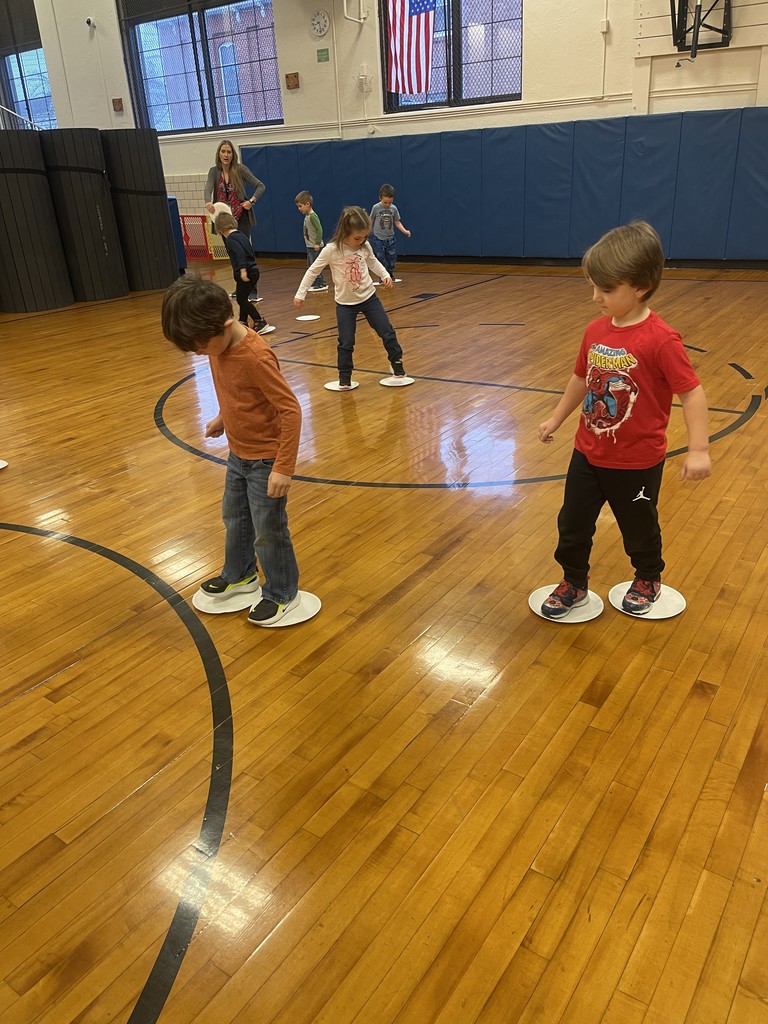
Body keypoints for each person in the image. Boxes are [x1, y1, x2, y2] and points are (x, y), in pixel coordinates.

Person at [537, 220, 711, 618]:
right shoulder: (595, 330)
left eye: (607, 289)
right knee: (573, 523)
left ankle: (648, 576)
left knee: (638, 526)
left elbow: (692, 392)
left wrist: (699, 448)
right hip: (587, 452)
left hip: (637, 461)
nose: (596, 297)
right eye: (593, 287)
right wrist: (557, 418)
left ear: (641, 287)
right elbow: (581, 378)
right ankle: (573, 581)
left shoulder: (661, 338)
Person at [160, 276, 302, 626]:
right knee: (235, 518)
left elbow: (290, 410)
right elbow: (236, 389)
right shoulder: (218, 345)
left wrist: (283, 467)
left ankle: (282, 592)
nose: (200, 353)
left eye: (200, 346)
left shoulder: (254, 355)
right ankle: (240, 575)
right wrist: (224, 416)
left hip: (266, 460)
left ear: (225, 325)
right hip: (238, 453)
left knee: (269, 529)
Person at [293, 206, 407, 390]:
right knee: (346, 341)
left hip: (369, 298)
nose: (361, 241)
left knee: (387, 332)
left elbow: (372, 262)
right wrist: (301, 293)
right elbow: (313, 271)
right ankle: (344, 378)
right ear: (345, 232)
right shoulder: (331, 250)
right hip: (345, 304)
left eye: (364, 238)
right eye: (357, 238)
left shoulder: (364, 246)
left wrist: (385, 275)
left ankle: (398, 367)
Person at [214, 211, 274, 335]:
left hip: (246, 272)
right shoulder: (241, 235)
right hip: (254, 270)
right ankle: (243, 321)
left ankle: (260, 321)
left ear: (220, 229)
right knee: (243, 297)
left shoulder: (230, 240)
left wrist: (242, 270)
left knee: (241, 300)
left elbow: (240, 253)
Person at [204, 140, 265, 238]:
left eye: (229, 152)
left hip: (241, 215)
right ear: (218, 154)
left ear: (233, 155)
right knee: (230, 249)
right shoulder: (213, 171)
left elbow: (260, 186)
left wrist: (251, 201)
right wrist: (208, 202)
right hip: (223, 217)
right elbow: (208, 188)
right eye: (223, 151)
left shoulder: (240, 169)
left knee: (242, 247)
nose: (226, 155)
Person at [369, 184, 411, 280]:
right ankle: (383, 275)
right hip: (378, 238)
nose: (387, 205)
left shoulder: (393, 208)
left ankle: (390, 272)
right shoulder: (376, 208)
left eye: (390, 202)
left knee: (391, 258)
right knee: (380, 257)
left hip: (390, 238)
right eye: (385, 202)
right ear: (380, 198)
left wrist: (405, 231)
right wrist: (367, 231)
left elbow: (397, 221)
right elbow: (371, 219)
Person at [295, 190, 328, 293]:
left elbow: (319, 229)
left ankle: (321, 283)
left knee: (315, 265)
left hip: (315, 246)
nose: (299, 209)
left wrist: (317, 242)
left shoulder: (313, 216)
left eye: (300, 206)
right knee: (310, 265)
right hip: (310, 246)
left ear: (308, 204)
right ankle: (315, 283)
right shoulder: (307, 216)